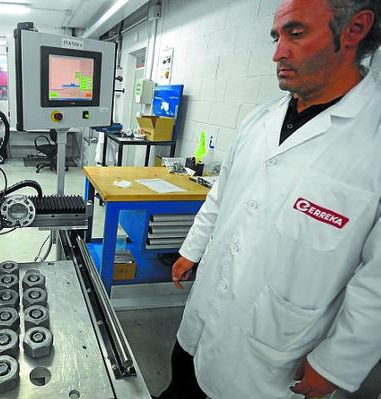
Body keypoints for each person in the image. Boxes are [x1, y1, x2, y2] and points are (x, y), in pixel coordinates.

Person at [157, 0, 381, 398]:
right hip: (204, 316)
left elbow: (377, 280)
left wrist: (338, 363)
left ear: (355, 29)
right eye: (277, 37)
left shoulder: (372, 142)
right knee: (183, 380)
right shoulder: (260, 119)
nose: (277, 52)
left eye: (295, 34)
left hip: (275, 352)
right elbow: (221, 196)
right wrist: (192, 250)